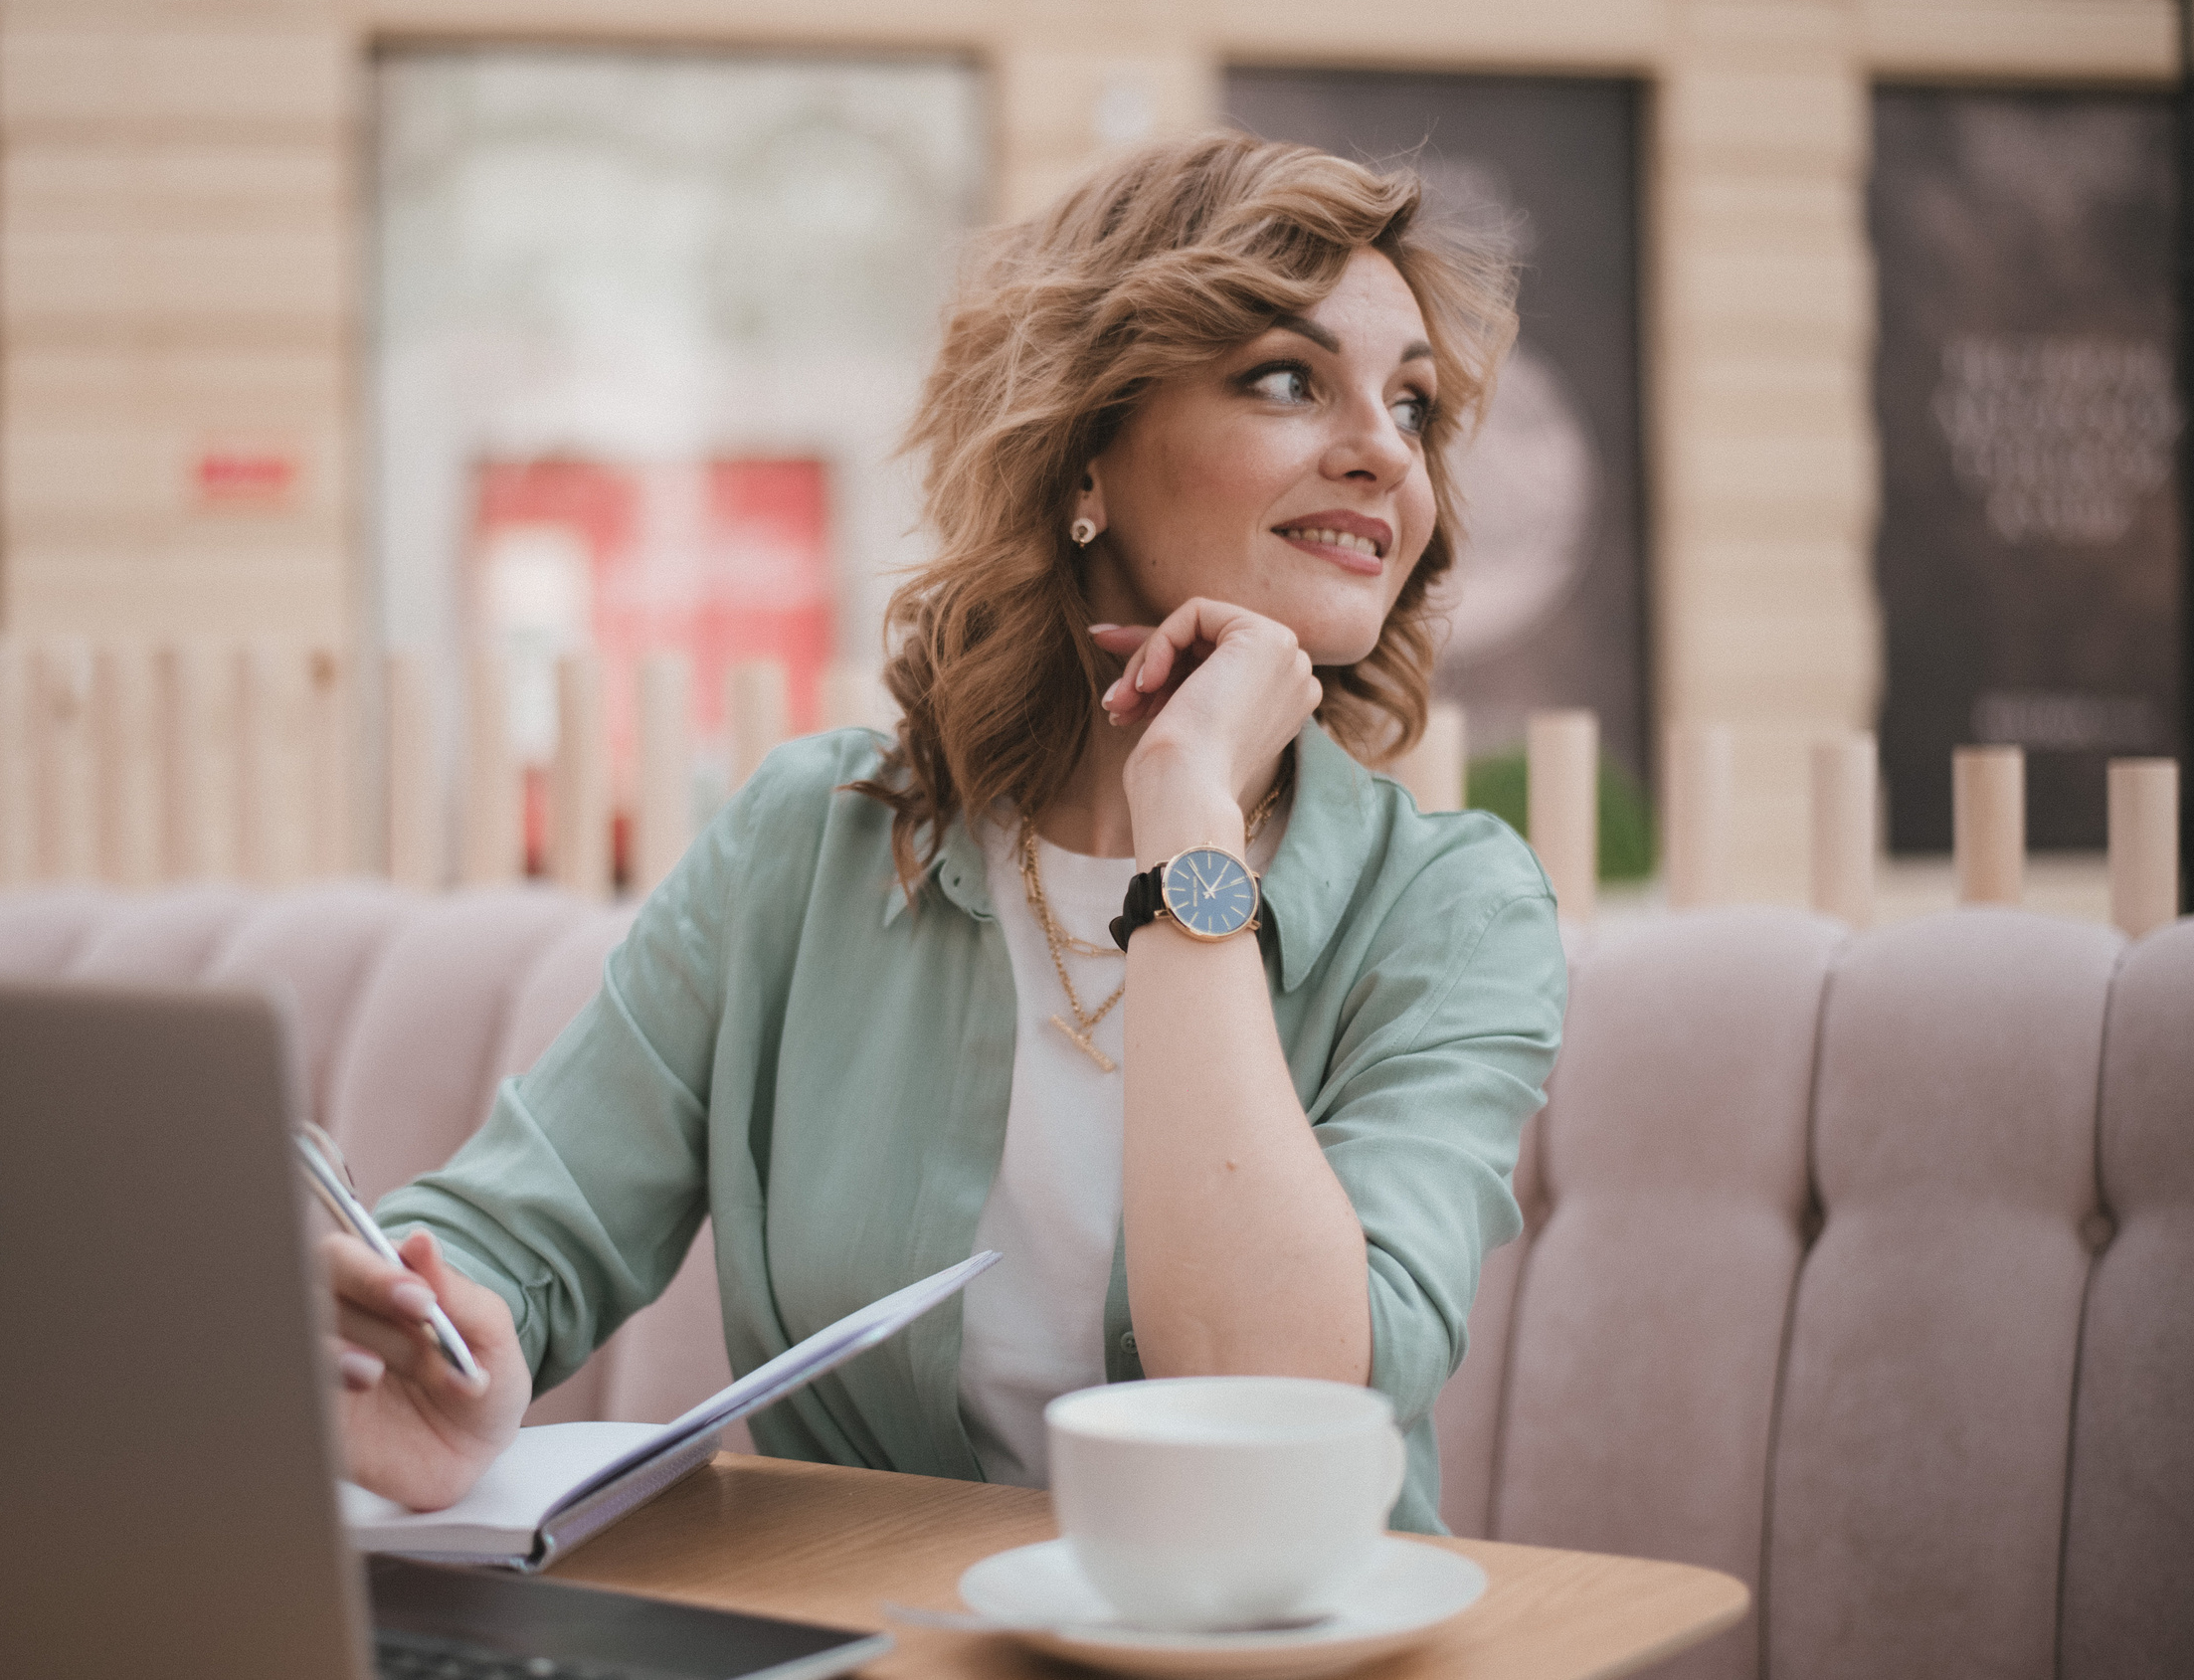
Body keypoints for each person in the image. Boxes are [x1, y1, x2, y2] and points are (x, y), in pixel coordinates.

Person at [326, 129, 1565, 1535]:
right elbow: (524, 1222)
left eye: (1412, 407)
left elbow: (1270, 1390)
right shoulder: (816, 842)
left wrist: (1188, 812)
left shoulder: (1455, 910)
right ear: (1085, 451)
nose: (1382, 458)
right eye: (1288, 379)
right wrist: (435, 1330)